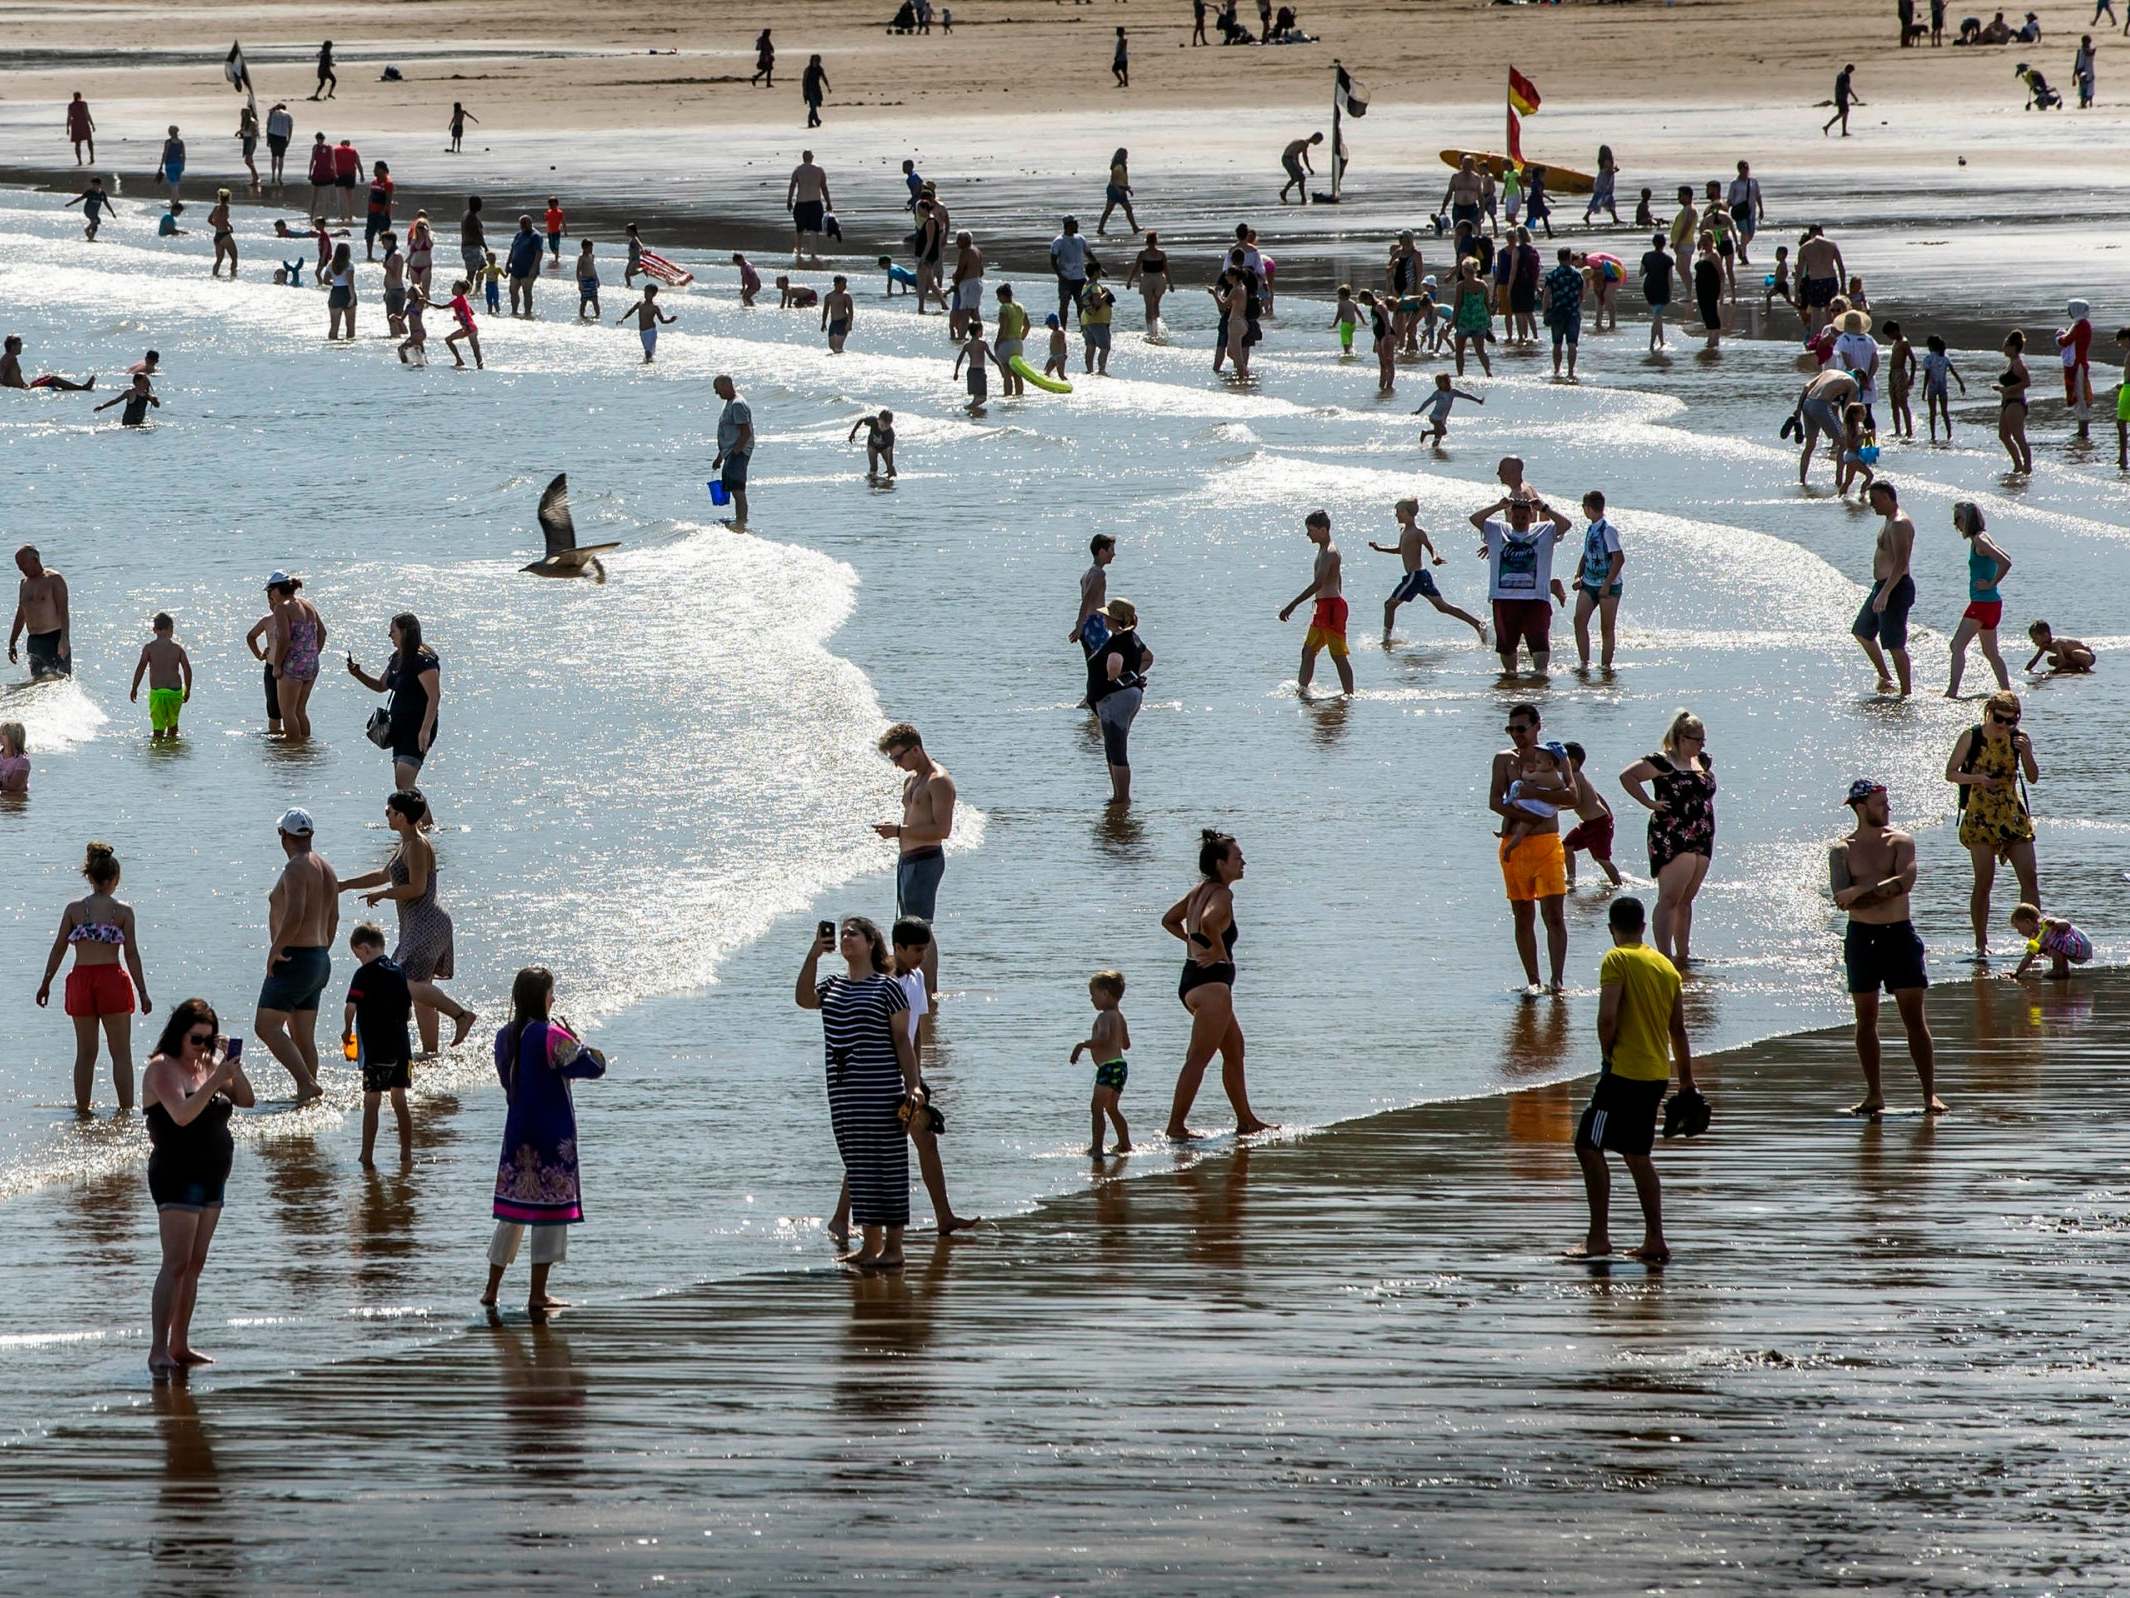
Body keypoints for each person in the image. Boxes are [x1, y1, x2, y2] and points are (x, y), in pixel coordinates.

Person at [1563, 896, 1696, 1264]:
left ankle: (1598, 1238)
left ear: (1611, 929)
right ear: (1642, 927)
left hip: (1624, 1073)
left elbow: (1607, 1017)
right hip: (1656, 1074)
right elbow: (1679, 1031)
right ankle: (1655, 1240)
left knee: (1588, 1146)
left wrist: (1607, 1054)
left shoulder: (1616, 959)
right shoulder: (1665, 967)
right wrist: (1687, 1082)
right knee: (1638, 1155)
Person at [796, 918, 919, 1269]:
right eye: (844, 932)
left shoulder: (887, 987)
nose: (846, 937)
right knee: (860, 1167)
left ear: (870, 943)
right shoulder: (833, 985)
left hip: (881, 1090)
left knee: (889, 1165)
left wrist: (914, 1086)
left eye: (854, 933)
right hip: (844, 1093)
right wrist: (814, 954)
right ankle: (870, 1247)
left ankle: (894, 1249)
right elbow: (804, 999)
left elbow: (902, 1041)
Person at [142, 999, 255, 1378]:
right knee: (175, 1263)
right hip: (176, 1171)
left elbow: (247, 1099)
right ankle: (158, 1347)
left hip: (213, 1172)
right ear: (179, 1034)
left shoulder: (210, 1065)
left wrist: (231, 1068)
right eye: (197, 1039)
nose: (203, 1047)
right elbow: (183, 1116)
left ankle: (180, 1343)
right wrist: (214, 1077)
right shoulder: (162, 1069)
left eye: (209, 1039)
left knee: (194, 1265)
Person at [485, 966, 608, 1315]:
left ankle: (491, 1289)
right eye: (551, 991)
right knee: (550, 1215)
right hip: (552, 1133)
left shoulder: (504, 1035)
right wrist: (580, 1042)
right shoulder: (552, 1035)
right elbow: (592, 1068)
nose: (554, 997)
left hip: (518, 1131)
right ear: (543, 997)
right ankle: (538, 1294)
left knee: (513, 1213)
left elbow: (507, 1081)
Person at [339, 788, 478, 1054]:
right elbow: (383, 874)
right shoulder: (405, 842)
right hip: (418, 924)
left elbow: (417, 887)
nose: (386, 815)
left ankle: (461, 1016)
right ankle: (431, 1053)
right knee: (422, 991)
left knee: (402, 982)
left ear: (401, 816)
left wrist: (385, 894)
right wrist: (345, 885)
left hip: (427, 923)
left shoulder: (416, 844)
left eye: (389, 812)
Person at [1831, 781, 1941, 1116]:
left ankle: (1929, 1095)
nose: (1888, 808)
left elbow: (1903, 884)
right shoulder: (1841, 850)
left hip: (1899, 935)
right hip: (1862, 937)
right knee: (1865, 1019)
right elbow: (1841, 899)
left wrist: (1860, 889)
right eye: (1881, 803)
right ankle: (1874, 1094)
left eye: (1888, 802)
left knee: (1914, 1019)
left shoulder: (1901, 841)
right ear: (1861, 808)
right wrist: (1860, 893)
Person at [1161, 829, 1272, 1140]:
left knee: (1235, 1050)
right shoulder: (1222, 894)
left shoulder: (1198, 890)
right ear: (1221, 864)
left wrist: (1190, 943)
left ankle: (1246, 1120)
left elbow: (1169, 919)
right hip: (1211, 986)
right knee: (1198, 1058)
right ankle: (1176, 1126)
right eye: (1237, 858)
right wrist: (1219, 952)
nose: (1243, 862)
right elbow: (1210, 922)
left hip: (1193, 980)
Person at [36, 840, 151, 1111]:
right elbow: (132, 954)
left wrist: (45, 983)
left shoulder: (74, 910)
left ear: (89, 877)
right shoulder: (122, 912)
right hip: (111, 979)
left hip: (81, 981)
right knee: (121, 1054)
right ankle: (125, 1113)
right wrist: (143, 992)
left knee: (85, 1054)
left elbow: (58, 948)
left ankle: (83, 1112)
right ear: (114, 879)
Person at [1946, 690, 2040, 960]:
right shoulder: (1972, 737)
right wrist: (1977, 778)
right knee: (1984, 882)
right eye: (1999, 719)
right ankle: (1980, 944)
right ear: (1990, 713)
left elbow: (2033, 778)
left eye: (2011, 721)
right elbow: (1950, 773)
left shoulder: (2018, 739)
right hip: (1980, 817)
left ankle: (2036, 942)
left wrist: (2028, 753)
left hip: (2012, 815)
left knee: (2029, 877)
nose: (2004, 726)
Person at [1618, 711, 1717, 966]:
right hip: (1673, 834)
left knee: (1687, 899)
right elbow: (1627, 776)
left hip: (1702, 834)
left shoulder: (1702, 762)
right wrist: (1648, 802)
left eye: (1703, 740)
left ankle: (1683, 954)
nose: (1701, 745)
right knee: (1670, 897)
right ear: (1682, 738)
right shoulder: (1663, 762)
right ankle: (1664, 956)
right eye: (1697, 740)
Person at [1491, 706, 1574, 996]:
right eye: (1511, 730)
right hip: (1515, 846)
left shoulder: (1553, 757)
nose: (1516, 735)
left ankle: (1558, 980)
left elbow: (1572, 797)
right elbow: (1494, 802)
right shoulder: (1504, 760)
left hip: (1547, 844)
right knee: (1522, 914)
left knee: (1553, 915)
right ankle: (1533, 980)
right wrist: (1529, 818)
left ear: (1537, 726)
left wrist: (1534, 795)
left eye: (1521, 729)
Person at [256, 807, 336, 1102]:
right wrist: (321, 953)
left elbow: (294, 914)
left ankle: (306, 1083)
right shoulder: (326, 868)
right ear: (310, 834)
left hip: (294, 957)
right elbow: (334, 918)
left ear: (283, 836)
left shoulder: (295, 867)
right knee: (303, 1037)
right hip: (317, 957)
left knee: (265, 1026)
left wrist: (275, 949)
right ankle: (307, 1098)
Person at [873, 722, 955, 1003]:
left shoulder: (938, 781)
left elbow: (942, 830)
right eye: (892, 759)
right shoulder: (912, 780)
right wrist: (898, 833)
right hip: (907, 860)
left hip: (926, 860)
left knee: (921, 928)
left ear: (916, 749)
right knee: (908, 927)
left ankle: (928, 993)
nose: (896, 764)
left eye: (899, 757)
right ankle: (912, 986)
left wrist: (898, 831)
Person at [1472, 489, 1571, 677]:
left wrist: (1545, 508)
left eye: (1523, 517)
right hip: (1504, 598)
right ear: (1510, 516)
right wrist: (1498, 506)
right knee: (1507, 647)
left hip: (1536, 599)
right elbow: (1474, 519)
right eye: (1516, 517)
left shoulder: (1544, 530)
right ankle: (1511, 679)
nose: (1519, 520)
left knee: (1540, 645)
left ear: (1531, 517)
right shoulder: (1497, 529)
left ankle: (1540, 679)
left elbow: (1566, 524)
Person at [343, 923, 414, 1165]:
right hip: (402, 1048)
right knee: (399, 1100)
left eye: (357, 955)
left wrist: (346, 1031)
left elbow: (351, 1006)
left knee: (371, 1100)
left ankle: (367, 1154)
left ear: (364, 949)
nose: (358, 960)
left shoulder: (363, 975)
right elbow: (408, 1013)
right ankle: (406, 1152)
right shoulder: (398, 972)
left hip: (376, 1048)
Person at [347, 612, 441, 790]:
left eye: (393, 631)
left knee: (404, 784)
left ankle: (426, 819)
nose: (389, 635)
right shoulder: (398, 658)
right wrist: (358, 674)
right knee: (402, 786)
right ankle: (420, 819)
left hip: (417, 728)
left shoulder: (423, 660)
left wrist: (425, 730)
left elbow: (434, 696)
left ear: (405, 632)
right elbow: (381, 685)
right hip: (399, 728)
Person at [1371, 497, 1486, 642]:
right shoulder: (1403, 530)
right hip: (1421, 576)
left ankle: (1386, 640)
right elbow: (1401, 550)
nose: (1396, 515)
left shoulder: (1418, 532)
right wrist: (1380, 548)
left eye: (1399, 512)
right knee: (1442, 606)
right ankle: (1478, 624)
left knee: (1389, 605)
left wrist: (1434, 557)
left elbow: (1431, 548)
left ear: (1408, 513)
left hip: (1416, 576)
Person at [1277, 510, 1355, 697]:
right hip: (1323, 607)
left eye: (1310, 530)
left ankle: (1349, 695)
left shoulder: (1330, 552)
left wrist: (1293, 604)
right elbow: (1338, 578)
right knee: (1308, 650)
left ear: (1323, 530)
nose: (1307, 534)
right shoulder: (1322, 550)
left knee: (1338, 655)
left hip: (1331, 608)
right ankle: (1302, 691)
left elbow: (1319, 583)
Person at [1087, 597, 1152, 804]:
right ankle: (1117, 796)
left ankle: (1122, 799)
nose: (1104, 619)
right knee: (1112, 747)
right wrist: (1133, 675)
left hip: (1115, 700)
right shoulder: (1133, 638)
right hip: (1128, 696)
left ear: (1116, 620)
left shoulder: (1117, 642)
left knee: (1116, 748)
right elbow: (1148, 657)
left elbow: (1114, 664)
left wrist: (1111, 677)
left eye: (1107, 616)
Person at [1856, 481, 1917, 697]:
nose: (1872, 505)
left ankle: (1906, 693)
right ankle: (1886, 679)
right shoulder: (1888, 520)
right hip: (1881, 586)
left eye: (1874, 500)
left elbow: (1901, 562)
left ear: (1886, 497)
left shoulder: (1900, 523)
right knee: (1862, 632)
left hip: (1895, 588)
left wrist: (1886, 592)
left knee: (1894, 643)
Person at [1946, 502, 2012, 696]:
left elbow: (2006, 562)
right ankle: (2007, 692)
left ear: (1968, 520)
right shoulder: (1984, 537)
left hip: (1982, 604)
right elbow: (2004, 555)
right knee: (1991, 653)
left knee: (1956, 646)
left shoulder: (1980, 541)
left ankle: (1952, 691)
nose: (1955, 524)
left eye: (1958, 519)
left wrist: (1991, 583)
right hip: (1992, 604)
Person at [1071, 969, 1133, 1156]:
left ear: (1105, 993)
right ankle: (1125, 1143)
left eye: (1093, 995)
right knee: (1112, 1108)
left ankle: (1096, 1148)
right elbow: (1127, 1044)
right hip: (1120, 1066)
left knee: (1096, 1108)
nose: (1092, 1000)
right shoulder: (1119, 1016)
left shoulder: (1104, 1016)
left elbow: (1104, 1038)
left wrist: (1082, 1045)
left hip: (1108, 1067)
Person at [264, 571, 325, 740]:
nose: (270, 596)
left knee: (288, 712)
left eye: (270, 591)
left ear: (277, 590)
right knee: (300, 710)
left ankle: (292, 750)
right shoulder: (307, 604)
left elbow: (284, 638)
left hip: (292, 666)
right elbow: (323, 633)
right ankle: (304, 746)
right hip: (312, 663)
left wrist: (276, 666)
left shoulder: (281, 608)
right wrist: (311, 654)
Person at [1570, 491, 1624, 671]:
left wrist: (1607, 584)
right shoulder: (1591, 527)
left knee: (1606, 628)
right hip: (1589, 583)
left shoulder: (1608, 529)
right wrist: (1578, 575)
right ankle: (1584, 663)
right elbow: (1586, 554)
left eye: (1583, 507)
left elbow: (1618, 558)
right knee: (1579, 620)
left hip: (1609, 585)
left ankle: (1606, 667)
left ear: (1588, 508)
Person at [1560, 744, 1623, 888]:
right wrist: (1609, 815)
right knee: (1566, 846)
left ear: (1573, 762)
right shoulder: (1578, 777)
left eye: (1561, 760)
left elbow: (1576, 802)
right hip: (1588, 824)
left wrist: (1556, 808)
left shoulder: (1575, 777)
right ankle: (1571, 880)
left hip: (1598, 823)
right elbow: (1597, 796)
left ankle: (1618, 885)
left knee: (1602, 858)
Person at [129, 611, 192, 741]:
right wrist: (188, 689)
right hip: (175, 693)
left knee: (158, 728)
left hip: (157, 693)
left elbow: (141, 667)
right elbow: (187, 669)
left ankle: (159, 752)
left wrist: (134, 687)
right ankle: (172, 749)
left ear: (154, 630)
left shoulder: (149, 648)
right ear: (171, 629)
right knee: (173, 726)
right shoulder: (178, 649)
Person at [9, 545, 70, 680]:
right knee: (38, 682)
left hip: (54, 638)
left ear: (35, 560)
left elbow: (63, 612)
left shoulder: (54, 579)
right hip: (34, 642)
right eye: (18, 565)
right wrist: (12, 642)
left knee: (60, 680)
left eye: (23, 564)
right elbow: (21, 614)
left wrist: (64, 639)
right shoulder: (24, 584)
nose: (20, 568)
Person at [1795, 366, 1861, 483]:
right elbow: (1848, 410)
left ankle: (1802, 480)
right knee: (1844, 442)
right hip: (1821, 405)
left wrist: (1798, 410)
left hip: (1807, 402)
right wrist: (1853, 429)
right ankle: (1839, 481)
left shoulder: (1829, 372)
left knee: (1810, 445)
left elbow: (1806, 387)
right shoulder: (1853, 383)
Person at [712, 374, 754, 531]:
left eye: (717, 389)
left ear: (726, 385)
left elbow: (745, 432)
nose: (717, 393)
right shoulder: (728, 403)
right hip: (730, 452)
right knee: (733, 488)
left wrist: (736, 452)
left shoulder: (737, 404)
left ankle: (741, 523)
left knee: (738, 489)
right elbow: (728, 433)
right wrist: (720, 457)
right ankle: (739, 521)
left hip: (739, 452)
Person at [2009, 903, 2091, 980]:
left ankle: (2057, 970)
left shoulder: (2046, 923)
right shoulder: (2035, 939)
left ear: (2028, 922)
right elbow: (2028, 957)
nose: (2019, 932)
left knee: (2054, 941)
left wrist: (2055, 923)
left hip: (2081, 946)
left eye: (2019, 928)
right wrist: (2017, 972)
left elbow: (2067, 924)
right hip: (2072, 951)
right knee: (2048, 945)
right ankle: (2064, 971)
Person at [1543, 247, 1585, 380]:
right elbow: (1581, 295)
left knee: (1557, 343)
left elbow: (1546, 296)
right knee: (1572, 343)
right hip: (1573, 312)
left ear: (1558, 258)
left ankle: (1556, 370)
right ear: (1569, 258)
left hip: (1557, 312)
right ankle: (1571, 372)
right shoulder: (1577, 275)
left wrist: (1545, 313)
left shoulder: (1552, 275)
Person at [1073, 534, 1115, 654]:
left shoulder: (1087, 573)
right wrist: (1079, 624)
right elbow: (1087, 599)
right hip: (1095, 623)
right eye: (1111, 550)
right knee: (1106, 659)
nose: (1114, 554)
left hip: (1089, 622)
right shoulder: (1099, 574)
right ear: (1102, 551)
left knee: (1095, 664)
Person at [617, 282, 677, 362]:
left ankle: (647, 369)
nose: (646, 294)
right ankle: (649, 365)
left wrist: (670, 320)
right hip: (642, 332)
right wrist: (622, 318)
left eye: (648, 293)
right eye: (645, 292)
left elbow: (662, 321)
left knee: (648, 352)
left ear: (653, 295)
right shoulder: (640, 304)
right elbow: (631, 311)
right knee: (648, 352)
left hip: (651, 332)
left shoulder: (654, 307)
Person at [1049, 216, 1092, 326]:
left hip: (1080, 278)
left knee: (1081, 304)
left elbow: (1089, 254)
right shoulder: (1058, 241)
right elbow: (1053, 261)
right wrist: (1060, 275)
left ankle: (1083, 327)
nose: (1077, 226)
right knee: (1064, 304)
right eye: (1075, 224)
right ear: (1068, 226)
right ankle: (1063, 328)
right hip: (1066, 279)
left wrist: (1099, 268)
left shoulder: (1081, 238)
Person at [1638, 233, 1674, 352]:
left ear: (1654, 243)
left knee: (1658, 315)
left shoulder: (1646, 256)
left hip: (1649, 287)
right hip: (1662, 288)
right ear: (1664, 244)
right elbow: (1670, 279)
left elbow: (1641, 273)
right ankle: (1651, 344)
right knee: (1657, 316)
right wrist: (1670, 293)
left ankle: (1662, 341)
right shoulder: (1668, 259)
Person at [2024, 620, 2095, 677]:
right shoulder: (2044, 645)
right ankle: (2075, 669)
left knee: (2075, 654)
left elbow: (2062, 662)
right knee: (2050, 660)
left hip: (2087, 656)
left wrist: (2053, 673)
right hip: (2072, 657)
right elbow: (2035, 660)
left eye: (2035, 638)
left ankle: (2086, 669)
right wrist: (2026, 670)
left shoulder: (2055, 643)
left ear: (2045, 635)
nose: (2033, 641)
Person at [948, 231, 983, 339]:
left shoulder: (966, 252)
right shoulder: (977, 251)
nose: (956, 242)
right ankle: (979, 335)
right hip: (977, 282)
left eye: (958, 240)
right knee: (974, 312)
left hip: (968, 284)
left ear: (965, 241)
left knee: (965, 313)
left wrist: (956, 281)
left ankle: (961, 338)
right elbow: (981, 272)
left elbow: (960, 270)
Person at [505, 215, 541, 318]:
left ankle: (527, 313)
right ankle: (514, 312)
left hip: (528, 270)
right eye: (521, 224)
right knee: (512, 290)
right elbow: (512, 250)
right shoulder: (518, 235)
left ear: (530, 223)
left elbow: (539, 253)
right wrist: (508, 263)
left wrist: (534, 268)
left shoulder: (535, 236)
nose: (523, 226)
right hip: (516, 269)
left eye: (525, 223)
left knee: (527, 291)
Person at [1099, 148, 1138, 236]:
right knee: (1119, 209)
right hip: (1115, 190)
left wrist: (1128, 189)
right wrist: (1119, 190)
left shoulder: (1121, 165)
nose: (1127, 156)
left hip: (1119, 189)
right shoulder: (1118, 167)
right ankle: (1134, 228)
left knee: (1123, 209)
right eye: (1125, 154)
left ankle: (1135, 227)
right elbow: (1114, 180)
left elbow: (1122, 180)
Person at [849, 410, 897, 481]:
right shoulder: (873, 421)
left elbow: (890, 452)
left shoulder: (890, 434)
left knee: (891, 468)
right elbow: (861, 420)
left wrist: (890, 468)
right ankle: (872, 478)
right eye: (882, 425)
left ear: (890, 424)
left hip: (884, 448)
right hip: (872, 446)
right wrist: (852, 434)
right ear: (878, 420)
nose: (883, 428)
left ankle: (889, 476)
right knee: (874, 468)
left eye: (886, 426)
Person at [1279, 132, 1322, 205]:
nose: (1318, 143)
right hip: (1287, 159)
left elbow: (1305, 157)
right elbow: (1295, 154)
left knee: (1296, 178)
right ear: (1315, 138)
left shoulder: (1305, 144)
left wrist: (1309, 168)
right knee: (1301, 178)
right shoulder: (1303, 142)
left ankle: (1284, 192)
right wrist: (1298, 165)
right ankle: (1303, 197)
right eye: (1319, 141)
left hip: (1288, 159)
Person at [1824, 62, 1859, 135]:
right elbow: (1847, 87)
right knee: (1842, 113)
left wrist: (1836, 97)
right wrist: (1854, 96)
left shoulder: (1840, 75)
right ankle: (1827, 126)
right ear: (1848, 69)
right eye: (1851, 70)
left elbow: (1836, 87)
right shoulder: (1846, 76)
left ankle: (1844, 131)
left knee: (1845, 113)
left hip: (1839, 97)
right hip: (1842, 97)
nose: (1851, 72)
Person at [265, 101, 293, 188]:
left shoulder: (272, 113)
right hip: (282, 137)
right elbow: (290, 128)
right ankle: (279, 176)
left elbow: (268, 126)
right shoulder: (288, 115)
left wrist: (268, 139)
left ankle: (273, 175)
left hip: (273, 135)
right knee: (281, 157)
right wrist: (289, 139)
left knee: (273, 156)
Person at [156, 125, 186, 205]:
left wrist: (161, 165)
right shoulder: (181, 142)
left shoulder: (168, 142)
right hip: (179, 165)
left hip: (170, 165)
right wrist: (183, 165)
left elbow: (165, 154)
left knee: (173, 184)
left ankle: (174, 201)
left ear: (170, 133)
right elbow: (183, 155)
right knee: (176, 183)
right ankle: (176, 199)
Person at [802, 55, 830, 129]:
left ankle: (815, 120)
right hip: (809, 90)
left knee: (816, 105)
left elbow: (824, 78)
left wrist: (828, 87)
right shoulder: (808, 70)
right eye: (815, 61)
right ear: (812, 61)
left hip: (817, 89)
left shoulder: (819, 69)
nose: (816, 62)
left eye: (817, 61)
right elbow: (804, 82)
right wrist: (804, 93)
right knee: (813, 106)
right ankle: (812, 121)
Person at [66, 92, 95, 164]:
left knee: (77, 143)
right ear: (80, 96)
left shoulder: (71, 105)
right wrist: (92, 124)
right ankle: (91, 157)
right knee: (89, 141)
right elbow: (87, 114)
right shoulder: (83, 104)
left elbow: (69, 117)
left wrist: (67, 127)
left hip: (75, 124)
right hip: (83, 123)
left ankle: (79, 160)